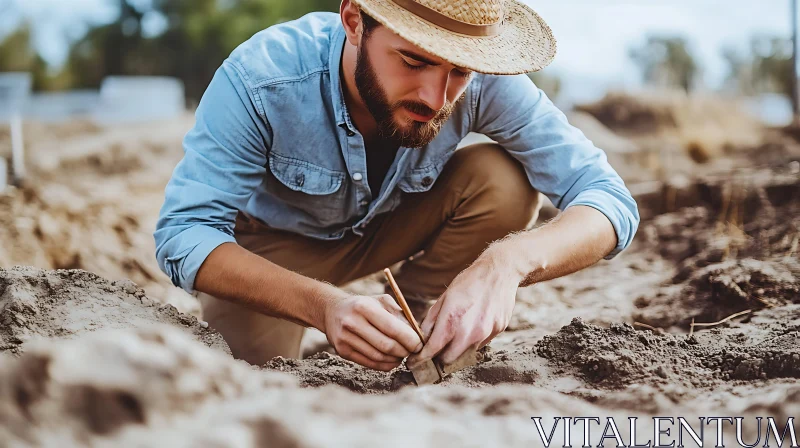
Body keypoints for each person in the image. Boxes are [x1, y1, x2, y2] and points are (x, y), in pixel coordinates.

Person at [154, 0, 639, 373]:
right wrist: (325, 307)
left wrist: (504, 264)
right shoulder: (261, 76)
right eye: (412, 61)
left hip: (388, 230)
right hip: (270, 257)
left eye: (459, 72)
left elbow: (609, 200)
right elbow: (184, 233)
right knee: (260, 377)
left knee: (503, 179)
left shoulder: (484, 77)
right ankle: (346, 321)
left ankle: (415, 322)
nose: (436, 97)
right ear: (352, 20)